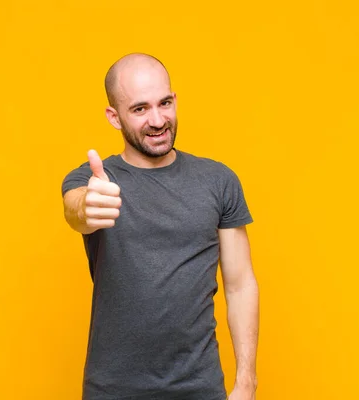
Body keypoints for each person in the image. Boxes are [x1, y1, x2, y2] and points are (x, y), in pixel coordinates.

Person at [61, 53, 259, 400]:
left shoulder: (218, 181)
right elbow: (75, 208)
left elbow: (240, 285)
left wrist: (246, 382)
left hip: (200, 388)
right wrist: (87, 206)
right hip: (112, 390)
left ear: (175, 100)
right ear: (114, 117)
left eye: (164, 103)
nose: (157, 120)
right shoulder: (93, 182)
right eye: (139, 109)